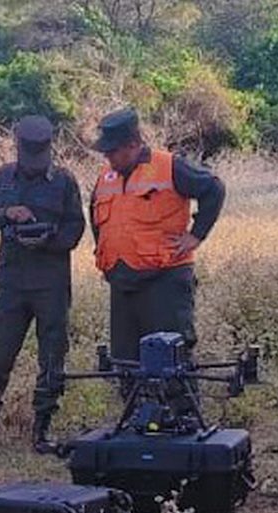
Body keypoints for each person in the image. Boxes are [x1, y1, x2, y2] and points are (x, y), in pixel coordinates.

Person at [0, 115, 85, 458]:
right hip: (13, 284)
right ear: (17, 147)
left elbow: (75, 228)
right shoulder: (3, 177)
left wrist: (47, 239)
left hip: (51, 283)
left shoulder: (64, 181)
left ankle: (42, 429)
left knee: (52, 358)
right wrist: (7, 213)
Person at [88, 107, 225, 365]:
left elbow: (214, 189)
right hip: (122, 282)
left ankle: (177, 395)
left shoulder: (169, 166)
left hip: (165, 281)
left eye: (112, 151)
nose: (107, 157)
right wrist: (103, 252)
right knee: (125, 363)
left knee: (170, 360)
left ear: (133, 145)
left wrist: (196, 235)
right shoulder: (105, 176)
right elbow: (96, 216)